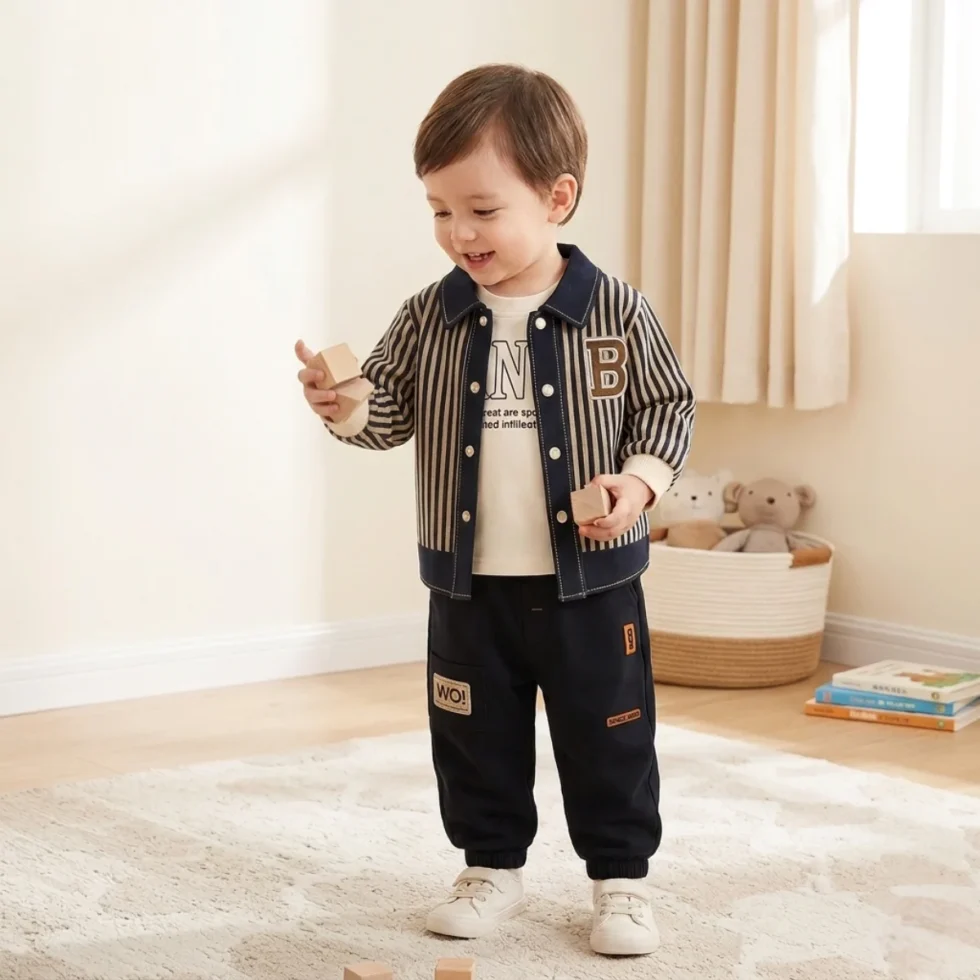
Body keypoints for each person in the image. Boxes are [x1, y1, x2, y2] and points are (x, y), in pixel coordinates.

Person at [295, 63, 695, 957]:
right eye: (439, 209)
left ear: (557, 198)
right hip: (470, 586)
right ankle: (490, 864)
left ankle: (621, 882)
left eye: (481, 209)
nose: (457, 232)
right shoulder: (429, 318)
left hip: (593, 586)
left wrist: (636, 486)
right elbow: (386, 411)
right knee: (474, 732)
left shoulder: (615, 312)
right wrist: (345, 404)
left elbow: (667, 407)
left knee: (610, 733)